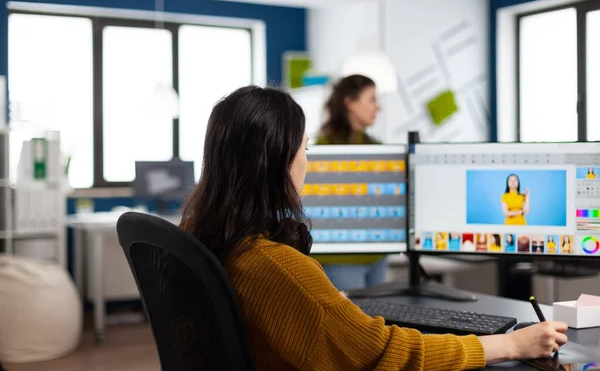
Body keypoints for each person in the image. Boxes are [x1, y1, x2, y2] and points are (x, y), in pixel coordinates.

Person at [180, 85, 568, 369]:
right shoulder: (277, 266)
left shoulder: (210, 236)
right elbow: (385, 353)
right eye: (305, 148)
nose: (308, 162)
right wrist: (511, 345)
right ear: (279, 159)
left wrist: (332, 311)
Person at [312, 74, 387, 291]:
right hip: (340, 258)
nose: (378, 107)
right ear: (350, 102)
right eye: (371, 99)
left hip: (377, 256)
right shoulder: (322, 150)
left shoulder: (379, 149)